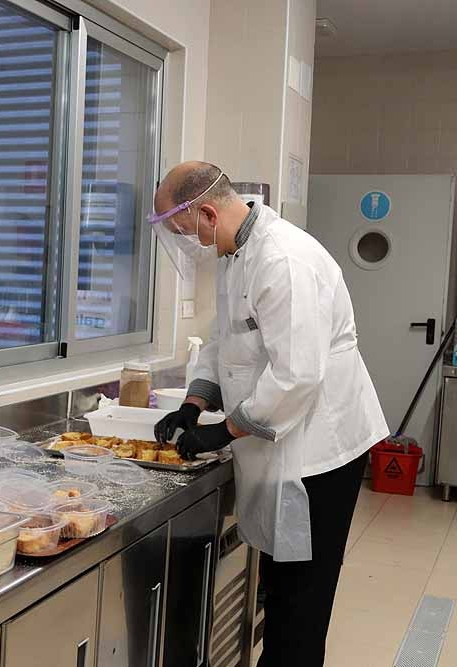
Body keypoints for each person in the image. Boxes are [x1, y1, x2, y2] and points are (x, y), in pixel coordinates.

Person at [149, 162, 388, 666]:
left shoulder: (284, 260)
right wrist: (194, 405)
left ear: (208, 212)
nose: (185, 242)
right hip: (282, 443)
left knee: (302, 603)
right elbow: (226, 339)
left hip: (319, 453)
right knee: (281, 590)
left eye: (182, 231)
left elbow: (298, 375)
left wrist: (224, 433)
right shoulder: (236, 254)